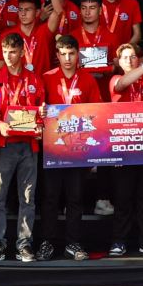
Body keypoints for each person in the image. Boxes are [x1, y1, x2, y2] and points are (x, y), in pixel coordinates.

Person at [0, 32, 44, 262]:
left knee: (27, 198)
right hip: (4, 145)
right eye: (5, 52)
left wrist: (40, 125)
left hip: (29, 147)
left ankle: (24, 244)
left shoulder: (34, 80)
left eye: (13, 52)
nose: (8, 56)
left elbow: (41, 111)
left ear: (22, 53)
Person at [39, 36, 95, 261]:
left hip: (78, 149)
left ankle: (73, 243)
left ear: (78, 54)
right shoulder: (47, 78)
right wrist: (41, 111)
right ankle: (47, 243)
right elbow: (38, 107)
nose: (68, 58)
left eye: (71, 53)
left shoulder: (88, 79)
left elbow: (96, 112)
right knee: (50, 198)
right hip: (53, 148)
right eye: (63, 54)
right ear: (57, 55)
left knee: (75, 198)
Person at [108, 43, 143, 257]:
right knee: (123, 198)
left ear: (139, 59)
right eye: (125, 57)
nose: (129, 60)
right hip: (124, 149)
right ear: (118, 62)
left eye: (133, 56)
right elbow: (122, 84)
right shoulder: (115, 79)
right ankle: (119, 241)